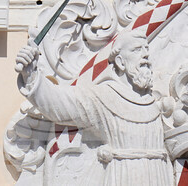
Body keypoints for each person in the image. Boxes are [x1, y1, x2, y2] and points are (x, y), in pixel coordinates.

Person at [15, 33, 173, 186]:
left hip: (158, 177)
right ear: (120, 62)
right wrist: (31, 75)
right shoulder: (106, 96)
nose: (145, 55)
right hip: (122, 177)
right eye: (137, 50)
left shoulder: (153, 104)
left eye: (146, 50)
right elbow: (62, 103)